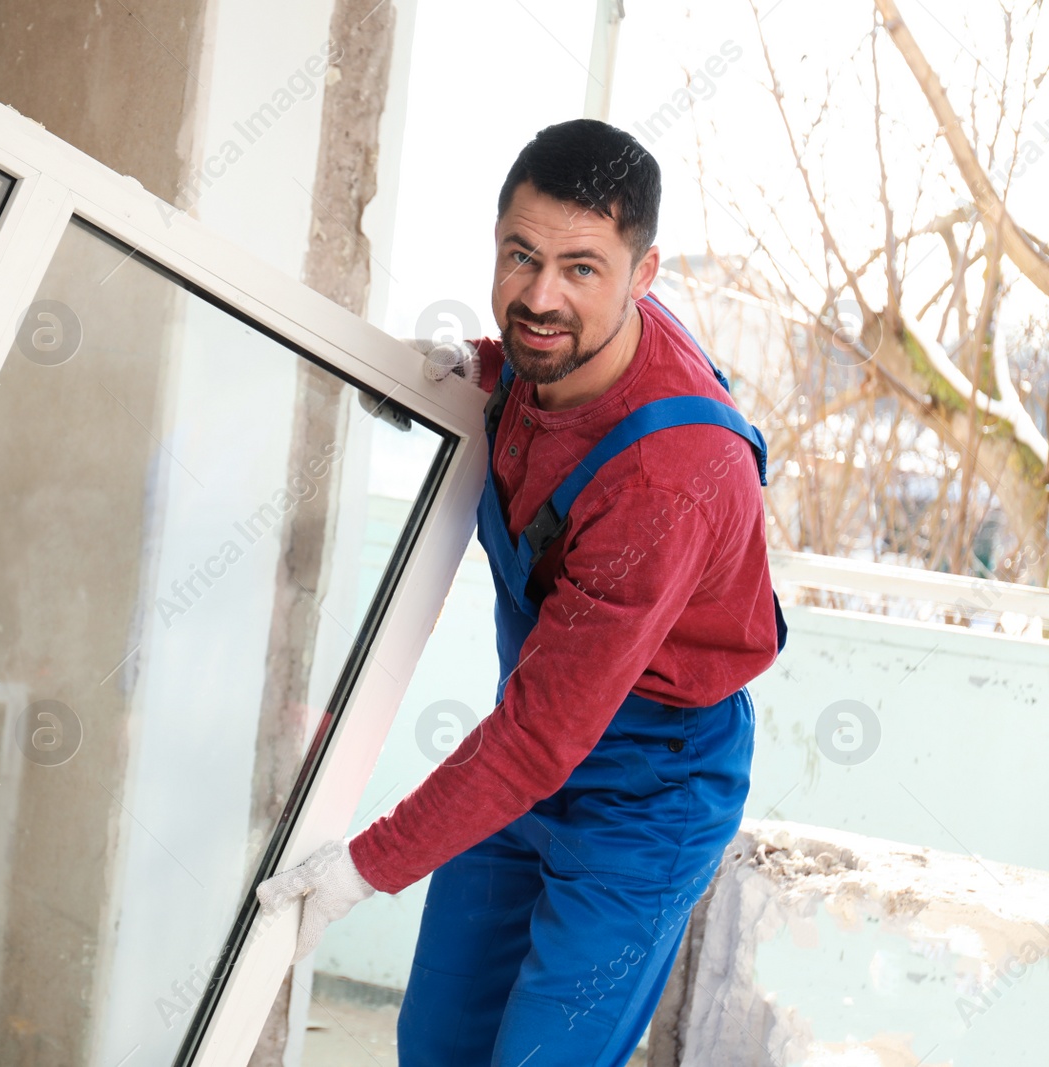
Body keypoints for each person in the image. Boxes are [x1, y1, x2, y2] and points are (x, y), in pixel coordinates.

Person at [255, 118, 785, 1066]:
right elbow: (535, 356)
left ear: (644, 273)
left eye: (582, 269)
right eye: (521, 256)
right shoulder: (551, 351)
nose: (540, 296)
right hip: (532, 744)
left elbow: (545, 732)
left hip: (649, 789)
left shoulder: (669, 479)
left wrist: (365, 866)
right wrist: (476, 369)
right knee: (439, 1042)